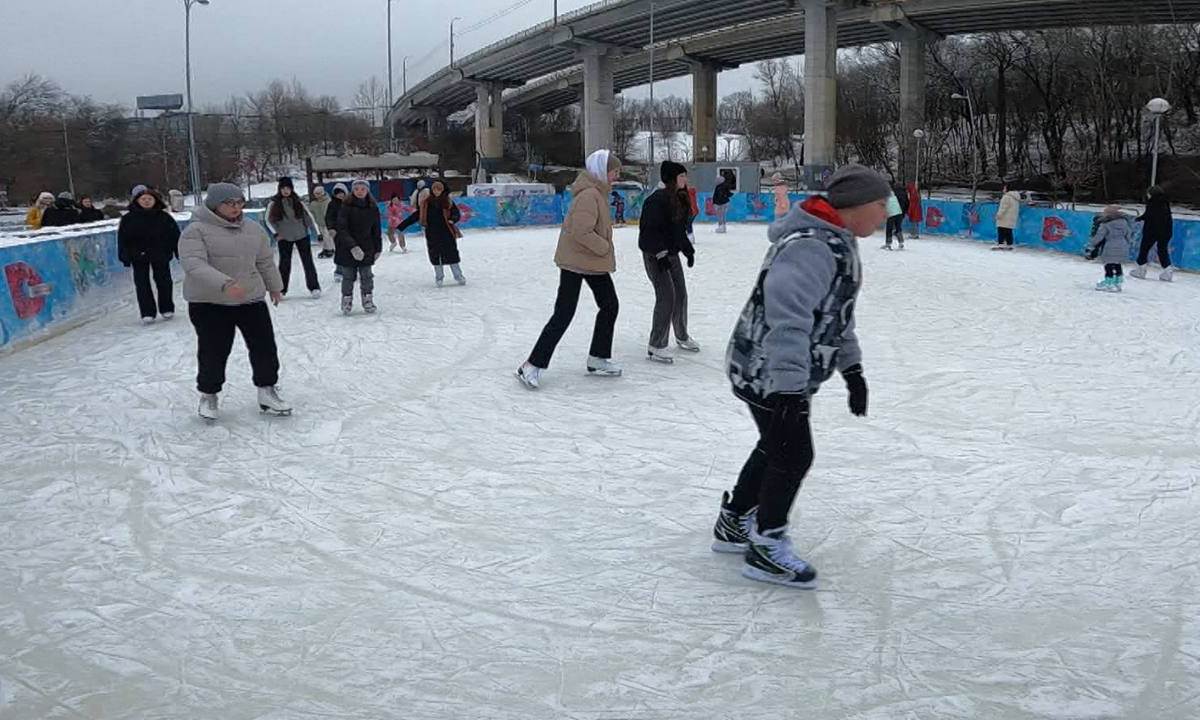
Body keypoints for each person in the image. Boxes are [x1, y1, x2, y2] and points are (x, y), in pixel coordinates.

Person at [714, 164, 888, 588]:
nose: (886, 215)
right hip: (767, 370)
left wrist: (853, 368)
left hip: (777, 370)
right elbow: (787, 322)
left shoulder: (836, 240)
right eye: (881, 206)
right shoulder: (812, 246)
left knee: (776, 445)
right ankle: (765, 546)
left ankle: (735, 520)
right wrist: (789, 392)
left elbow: (835, 315)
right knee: (793, 453)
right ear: (856, 206)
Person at [178, 183, 290, 421]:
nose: (236, 208)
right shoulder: (195, 231)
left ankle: (267, 390)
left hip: (250, 298)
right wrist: (225, 283)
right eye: (230, 204)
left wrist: (274, 285)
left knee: (264, 347)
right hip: (210, 302)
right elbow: (194, 264)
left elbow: (264, 260)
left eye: (239, 203)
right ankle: (209, 394)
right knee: (214, 351)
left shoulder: (252, 228)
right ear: (215, 205)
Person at [517, 149, 623, 389]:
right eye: (614, 171)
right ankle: (531, 365)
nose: (617, 176)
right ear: (602, 171)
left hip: (589, 262)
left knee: (609, 305)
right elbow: (581, 231)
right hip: (577, 262)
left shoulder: (597, 193)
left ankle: (598, 357)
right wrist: (604, 247)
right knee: (564, 313)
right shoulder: (589, 196)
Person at [638, 160, 699, 364]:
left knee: (680, 294)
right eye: (682, 176)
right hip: (655, 254)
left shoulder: (679, 198)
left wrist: (687, 250)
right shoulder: (655, 200)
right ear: (672, 179)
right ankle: (656, 345)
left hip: (671, 254)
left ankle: (681, 335)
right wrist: (661, 254)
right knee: (666, 296)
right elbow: (648, 232)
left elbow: (677, 231)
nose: (686, 179)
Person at [118, 184, 181, 323]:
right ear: (137, 201)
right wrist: (124, 255)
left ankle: (167, 308)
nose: (146, 201)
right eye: (143, 199)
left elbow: (175, 235)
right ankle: (147, 312)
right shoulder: (128, 219)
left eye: (149, 199)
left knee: (164, 282)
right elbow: (122, 238)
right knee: (142, 284)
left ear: (155, 201)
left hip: (160, 254)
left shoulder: (164, 217)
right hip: (138, 255)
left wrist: (179, 252)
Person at [265, 176, 321, 298]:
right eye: (283, 188)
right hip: (284, 237)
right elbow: (268, 220)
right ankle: (281, 289)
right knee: (284, 263)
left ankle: (314, 287)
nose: (286, 191)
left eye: (288, 188)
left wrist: (317, 233)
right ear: (279, 189)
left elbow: (309, 218)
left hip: (302, 235)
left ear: (292, 189)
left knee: (308, 262)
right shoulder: (274, 203)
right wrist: (276, 234)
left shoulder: (298, 201)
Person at [334, 179, 383, 314]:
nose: (360, 192)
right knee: (348, 275)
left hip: (367, 246)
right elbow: (342, 229)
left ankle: (367, 298)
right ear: (352, 191)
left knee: (367, 275)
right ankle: (347, 299)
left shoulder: (372, 208)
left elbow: (376, 230)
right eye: (356, 189)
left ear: (367, 191)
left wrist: (378, 248)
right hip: (347, 247)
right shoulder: (346, 207)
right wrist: (353, 246)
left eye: (363, 189)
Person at [419, 180, 466, 287]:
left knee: (451, 254)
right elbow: (420, 215)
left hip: (446, 231)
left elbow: (456, 213)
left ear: (442, 190)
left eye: (438, 189)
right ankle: (439, 277)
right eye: (434, 189)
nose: (436, 192)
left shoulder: (447, 201)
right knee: (436, 255)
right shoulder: (426, 202)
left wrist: (452, 220)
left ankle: (458, 276)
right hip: (432, 232)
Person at [1084, 205, 1135, 293]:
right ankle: (1118, 282)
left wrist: (1091, 245)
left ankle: (1109, 283)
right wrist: (1128, 244)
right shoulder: (1124, 222)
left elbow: (1099, 236)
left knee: (1109, 265)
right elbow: (1128, 234)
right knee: (1117, 264)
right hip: (1123, 245)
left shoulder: (1105, 224)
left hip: (1110, 245)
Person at [1132, 185, 1174, 282]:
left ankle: (1141, 269)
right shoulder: (1165, 202)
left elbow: (1150, 215)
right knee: (1162, 250)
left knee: (1144, 249)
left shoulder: (1152, 202)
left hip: (1152, 230)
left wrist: (1140, 218)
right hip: (1166, 230)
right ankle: (1167, 271)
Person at [325, 184, 349, 279]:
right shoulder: (332, 204)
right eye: (337, 193)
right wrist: (331, 228)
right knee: (340, 251)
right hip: (338, 231)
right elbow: (329, 217)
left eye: (341, 193)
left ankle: (354, 270)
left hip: (351, 231)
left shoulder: (350, 203)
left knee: (353, 250)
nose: (340, 195)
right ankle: (339, 271)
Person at [307, 185, 334, 259]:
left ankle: (330, 250)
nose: (317, 195)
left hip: (328, 223)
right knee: (324, 237)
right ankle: (326, 248)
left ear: (323, 193)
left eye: (319, 193)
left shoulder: (328, 201)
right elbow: (310, 212)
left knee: (328, 236)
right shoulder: (314, 203)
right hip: (319, 223)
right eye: (316, 194)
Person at [883, 181, 910, 250]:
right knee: (898, 228)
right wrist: (904, 212)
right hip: (899, 212)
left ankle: (888, 244)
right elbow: (907, 203)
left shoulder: (888, 194)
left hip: (892, 213)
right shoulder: (902, 193)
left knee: (889, 228)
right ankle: (901, 243)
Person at [994, 183, 1020, 251]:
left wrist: (998, 215)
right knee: (1008, 231)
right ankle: (1010, 244)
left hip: (1005, 217)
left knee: (1001, 230)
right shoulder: (1016, 198)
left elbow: (1003, 208)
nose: (1003, 189)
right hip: (1012, 218)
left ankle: (1001, 243)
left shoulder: (1006, 197)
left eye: (1004, 188)